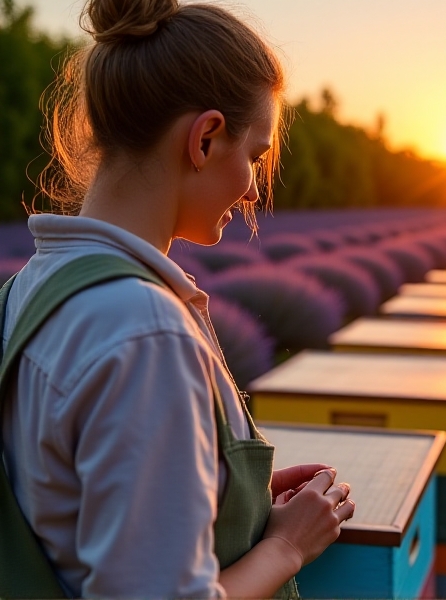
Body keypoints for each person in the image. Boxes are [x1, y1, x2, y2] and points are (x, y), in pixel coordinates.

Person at [0, 0, 355, 596]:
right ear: (207, 138)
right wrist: (287, 546)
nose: (251, 188)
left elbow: (70, 498)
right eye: (255, 155)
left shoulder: (25, 291)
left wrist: (208, 489)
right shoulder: (143, 331)